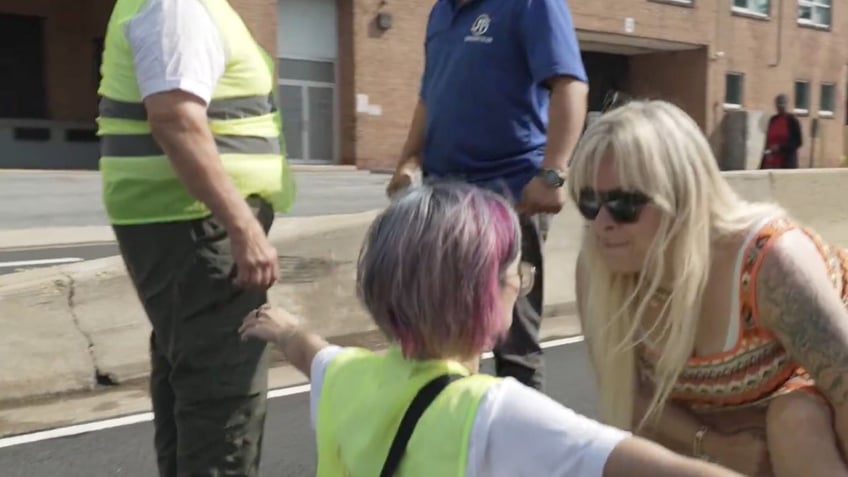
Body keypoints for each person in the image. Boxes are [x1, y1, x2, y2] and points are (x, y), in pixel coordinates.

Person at [240, 182, 743, 477]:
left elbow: (313, 352)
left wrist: (283, 328)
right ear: (480, 292)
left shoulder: (346, 380)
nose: (520, 286)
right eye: (515, 275)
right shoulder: (496, 413)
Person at [570, 99, 848, 476]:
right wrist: (715, 445)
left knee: (794, 422)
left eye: (624, 204)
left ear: (682, 197)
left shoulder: (769, 262)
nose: (602, 222)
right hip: (734, 423)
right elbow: (632, 398)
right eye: (589, 202)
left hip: (817, 408)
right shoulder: (597, 268)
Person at [96, 1, 296, 475]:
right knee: (224, 392)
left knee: (188, 379)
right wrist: (241, 226)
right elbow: (175, 119)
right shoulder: (178, 6)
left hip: (186, 224)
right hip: (197, 226)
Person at [385, 0, 589, 391]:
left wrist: (553, 171)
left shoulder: (531, 4)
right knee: (443, 337)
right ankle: (456, 434)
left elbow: (570, 83)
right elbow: (430, 96)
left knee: (511, 340)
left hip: (510, 196)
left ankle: (519, 445)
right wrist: (408, 160)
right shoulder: (441, 12)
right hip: (444, 197)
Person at [760, 94, 802, 169]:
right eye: (778, 103)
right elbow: (767, 143)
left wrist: (780, 147)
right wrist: (762, 164)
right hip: (770, 162)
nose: (780, 106)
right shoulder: (773, 120)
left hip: (786, 163)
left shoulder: (792, 120)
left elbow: (798, 142)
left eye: (783, 103)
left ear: (786, 104)